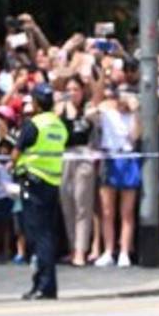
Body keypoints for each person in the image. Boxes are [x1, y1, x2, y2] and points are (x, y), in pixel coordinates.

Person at [13, 83, 65, 299]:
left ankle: (44, 286)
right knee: (46, 235)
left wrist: (14, 165)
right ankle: (44, 284)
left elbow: (17, 152)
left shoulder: (33, 124)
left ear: (35, 102)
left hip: (33, 183)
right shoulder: (58, 125)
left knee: (37, 236)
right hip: (51, 184)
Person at [95, 87, 141, 267]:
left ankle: (124, 251)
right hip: (110, 159)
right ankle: (108, 250)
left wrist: (136, 110)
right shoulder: (107, 113)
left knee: (127, 212)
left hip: (128, 159)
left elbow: (136, 136)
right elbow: (93, 110)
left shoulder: (133, 116)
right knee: (107, 211)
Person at [57, 75, 96, 267]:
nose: (72, 93)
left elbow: (87, 125)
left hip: (83, 156)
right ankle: (72, 247)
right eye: (69, 89)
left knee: (82, 204)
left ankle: (81, 250)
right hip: (64, 157)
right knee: (67, 204)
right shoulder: (60, 110)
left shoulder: (87, 109)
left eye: (76, 89)